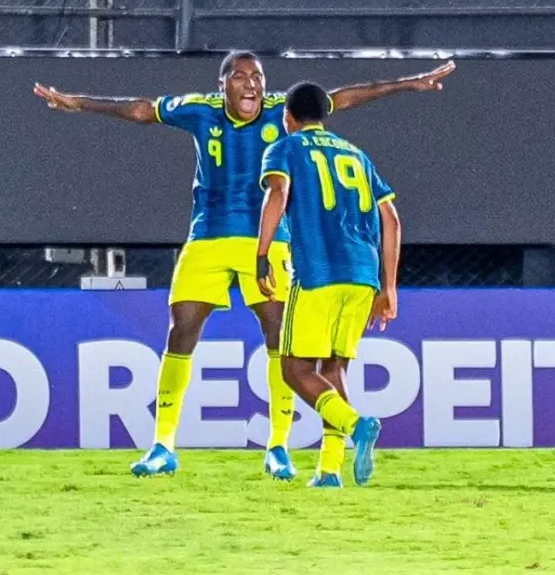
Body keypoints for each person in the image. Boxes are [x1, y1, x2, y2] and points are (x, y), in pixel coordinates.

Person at [33, 52, 451, 480]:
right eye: (241, 76)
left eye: (258, 76)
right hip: (209, 235)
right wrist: (79, 103)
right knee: (182, 327)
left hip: (269, 241)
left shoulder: (280, 111)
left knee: (279, 336)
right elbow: (142, 110)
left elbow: (341, 99)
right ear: (223, 85)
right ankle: (162, 445)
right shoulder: (200, 110)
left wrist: (409, 83)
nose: (251, 84)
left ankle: (278, 448)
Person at [256, 80, 402, 489]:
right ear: (325, 115)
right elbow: (391, 220)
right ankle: (329, 471)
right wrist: (389, 288)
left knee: (293, 368)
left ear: (288, 118)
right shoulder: (357, 154)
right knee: (333, 368)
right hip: (364, 274)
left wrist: (262, 253)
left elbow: (278, 194)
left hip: (320, 271)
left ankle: (356, 425)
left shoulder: (285, 148)